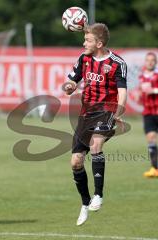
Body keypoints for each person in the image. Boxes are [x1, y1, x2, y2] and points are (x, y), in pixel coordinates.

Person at [63, 23, 127, 225]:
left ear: (99, 43)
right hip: (86, 113)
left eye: (88, 40)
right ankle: (85, 202)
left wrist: (119, 111)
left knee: (96, 144)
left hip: (107, 110)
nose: (84, 43)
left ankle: (98, 194)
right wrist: (69, 86)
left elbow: (123, 91)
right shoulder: (84, 58)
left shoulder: (117, 63)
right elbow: (72, 81)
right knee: (75, 162)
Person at [138, 52, 158, 178]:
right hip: (148, 112)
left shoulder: (157, 75)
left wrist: (154, 90)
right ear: (145, 62)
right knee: (150, 138)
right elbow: (143, 93)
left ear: (155, 62)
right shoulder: (141, 77)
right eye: (148, 60)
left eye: (152, 60)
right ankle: (155, 168)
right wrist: (140, 95)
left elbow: (152, 90)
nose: (150, 62)